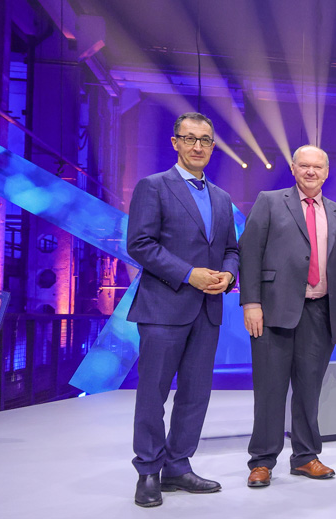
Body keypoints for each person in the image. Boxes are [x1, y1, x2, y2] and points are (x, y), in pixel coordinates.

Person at [126, 112, 239, 507]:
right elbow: (139, 244)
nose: (197, 146)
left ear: (212, 146)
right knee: (152, 394)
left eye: (205, 140)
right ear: (175, 142)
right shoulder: (153, 187)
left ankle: (177, 466)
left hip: (207, 311)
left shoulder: (223, 198)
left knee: (195, 394)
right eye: (189, 139)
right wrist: (188, 273)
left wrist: (228, 274)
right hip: (162, 308)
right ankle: (148, 471)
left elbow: (230, 249)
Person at [238, 145, 336, 488]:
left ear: (327, 171)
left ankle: (305, 457)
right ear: (293, 168)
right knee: (270, 390)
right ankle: (262, 460)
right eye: (304, 165)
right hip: (273, 310)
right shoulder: (270, 201)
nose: (310, 171)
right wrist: (251, 303)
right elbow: (249, 252)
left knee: (309, 390)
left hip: (320, 313)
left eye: (317, 166)